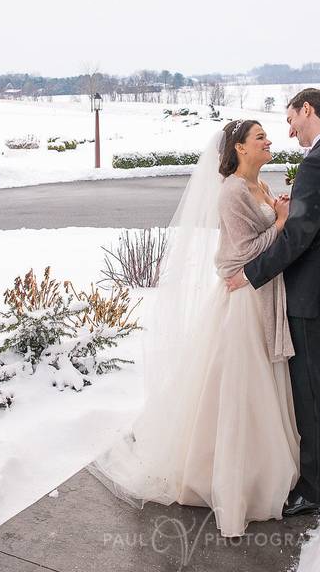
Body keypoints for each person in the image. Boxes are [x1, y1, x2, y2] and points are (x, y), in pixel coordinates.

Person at [87, 119, 300, 537]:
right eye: (260, 138)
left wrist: (278, 211)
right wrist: (279, 223)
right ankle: (230, 478)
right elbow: (241, 252)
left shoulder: (261, 186)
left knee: (261, 386)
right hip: (242, 303)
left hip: (262, 295)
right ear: (239, 148)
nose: (269, 141)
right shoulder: (233, 191)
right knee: (240, 387)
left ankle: (264, 468)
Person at [225, 88, 320, 516]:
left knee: (312, 391)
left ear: (309, 110)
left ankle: (315, 487)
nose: (289, 130)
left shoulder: (319, 162)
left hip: (309, 293)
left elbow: (300, 236)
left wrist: (250, 274)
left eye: (292, 119)